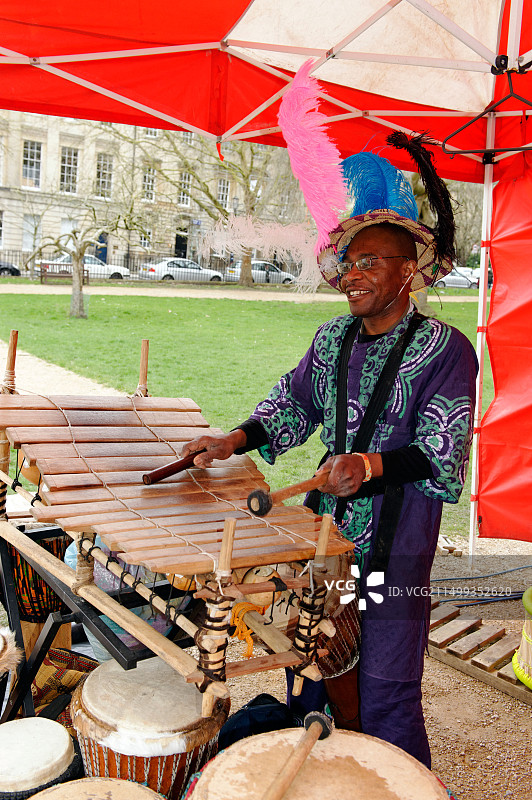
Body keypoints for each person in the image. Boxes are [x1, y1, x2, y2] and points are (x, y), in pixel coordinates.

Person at [182, 141, 477, 768]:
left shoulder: (448, 350)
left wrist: (368, 466)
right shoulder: (332, 337)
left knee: (388, 679)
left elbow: (442, 450)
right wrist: (232, 440)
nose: (352, 273)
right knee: (316, 655)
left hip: (397, 540)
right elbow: (292, 406)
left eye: (371, 260)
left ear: (409, 271)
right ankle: (325, 770)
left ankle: (399, 780)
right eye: (348, 260)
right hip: (326, 531)